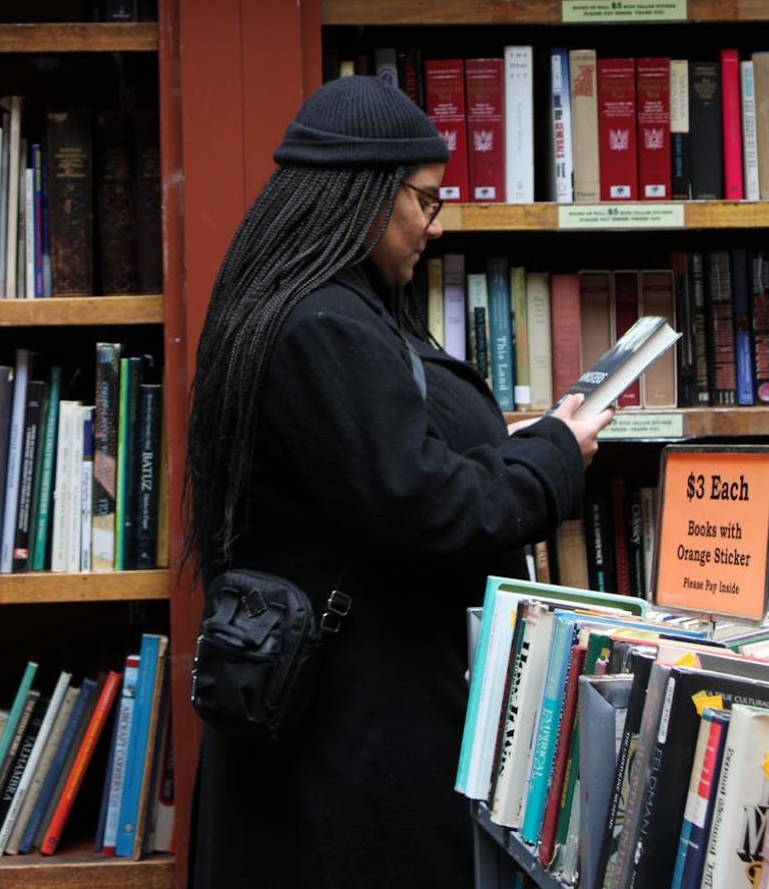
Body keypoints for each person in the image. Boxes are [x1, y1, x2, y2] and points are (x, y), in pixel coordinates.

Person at [185, 74, 612, 889]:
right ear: (363, 195)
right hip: (352, 737)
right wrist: (555, 456)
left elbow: (386, 470)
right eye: (425, 200)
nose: (435, 225)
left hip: (336, 718)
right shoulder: (323, 324)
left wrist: (513, 442)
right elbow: (423, 505)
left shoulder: (317, 306)